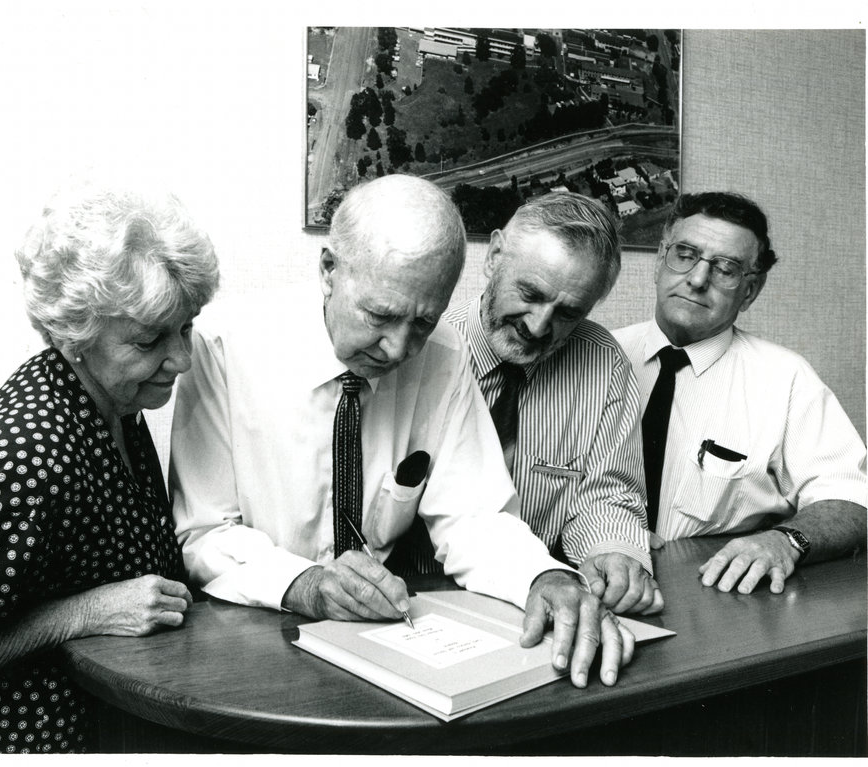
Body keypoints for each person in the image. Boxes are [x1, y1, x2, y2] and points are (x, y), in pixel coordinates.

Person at [171, 174, 635, 690]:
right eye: (381, 315)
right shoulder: (219, 347)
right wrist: (305, 584)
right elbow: (204, 532)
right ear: (328, 270)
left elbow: (473, 517)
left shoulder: (447, 353)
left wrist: (541, 576)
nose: (397, 350)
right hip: (254, 631)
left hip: (386, 640)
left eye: (422, 323)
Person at [0, 186, 220, 753]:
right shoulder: (25, 455)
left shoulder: (116, 400)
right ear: (76, 338)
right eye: (148, 341)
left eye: (185, 328)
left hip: (109, 732)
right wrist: (83, 612)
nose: (182, 360)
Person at [614, 191, 866, 596]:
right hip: (593, 581)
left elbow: (853, 500)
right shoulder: (595, 357)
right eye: (685, 254)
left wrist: (784, 540)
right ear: (660, 260)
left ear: (749, 291)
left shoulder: (785, 379)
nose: (697, 279)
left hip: (715, 596)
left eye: (725, 268)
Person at [444, 191, 661, 615]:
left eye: (568, 312)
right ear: (494, 255)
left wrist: (614, 552)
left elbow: (606, 494)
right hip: (425, 600)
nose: (538, 325)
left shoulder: (603, 361)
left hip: (545, 599)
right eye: (530, 293)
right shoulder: (428, 351)